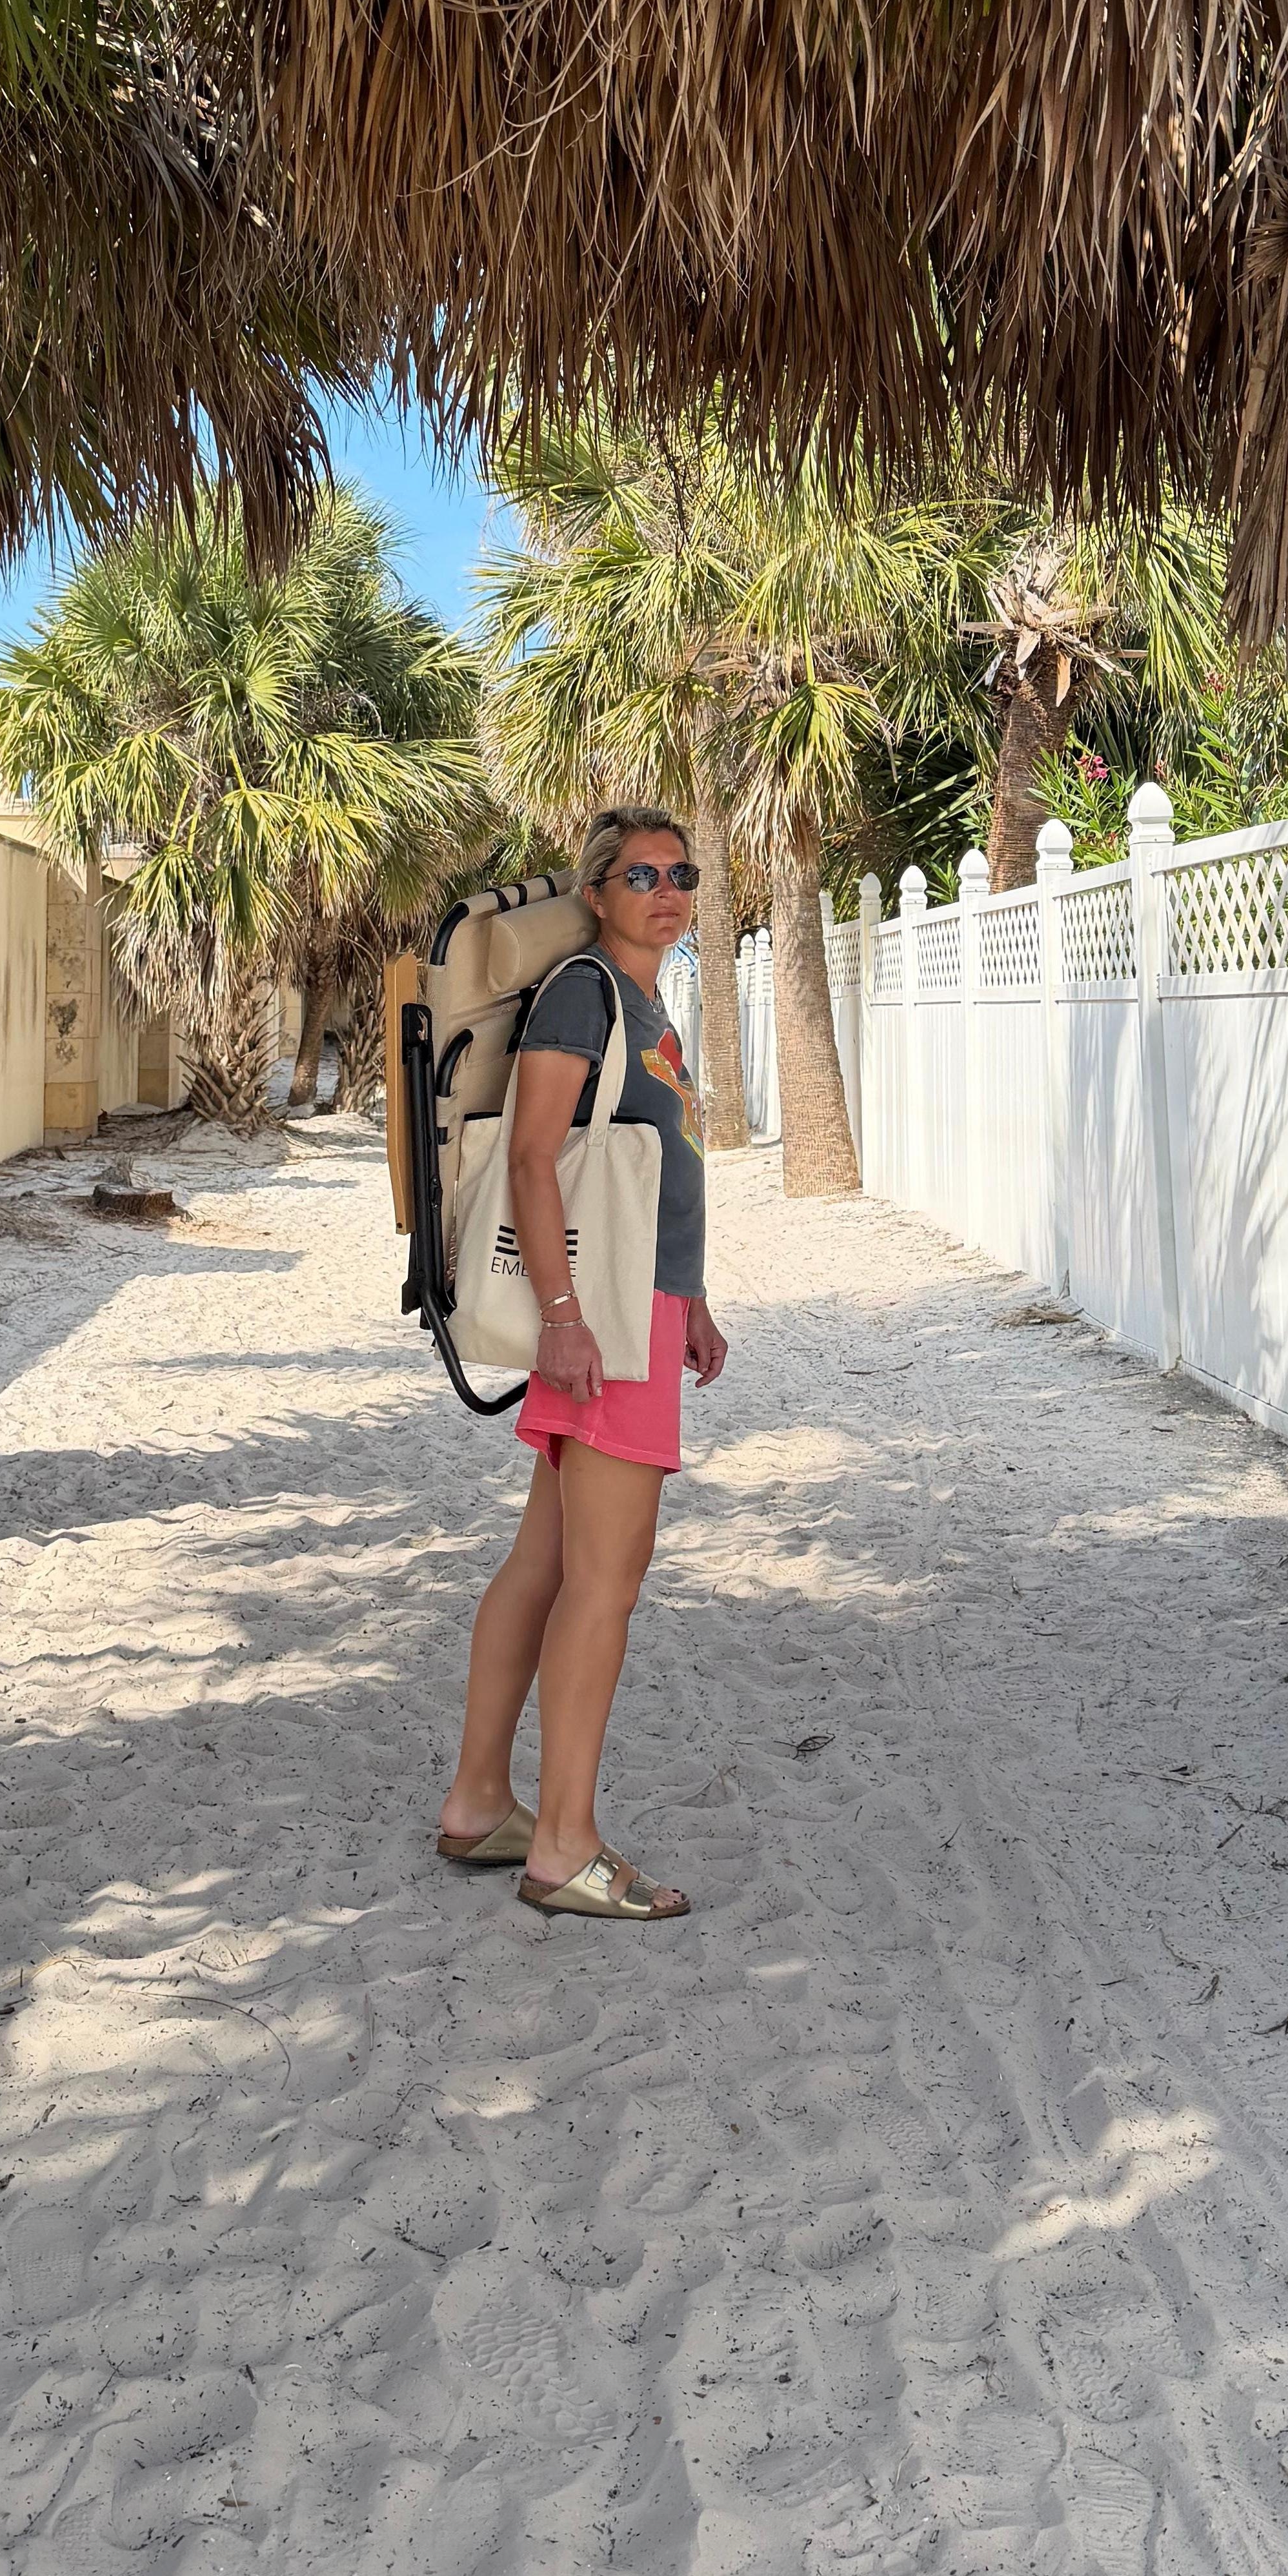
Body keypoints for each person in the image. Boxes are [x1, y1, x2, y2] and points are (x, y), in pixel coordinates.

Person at [434, 807, 729, 1918]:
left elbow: (649, 1171)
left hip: (633, 1309)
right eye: (640, 873)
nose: (666, 889)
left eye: (681, 873)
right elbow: (532, 1155)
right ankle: (564, 1846)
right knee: (607, 1581)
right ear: (597, 894)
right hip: (599, 1320)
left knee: (548, 1565)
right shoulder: (583, 992)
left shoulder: (645, 1003)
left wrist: (691, 1297)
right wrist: (563, 1315)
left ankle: (477, 1804)